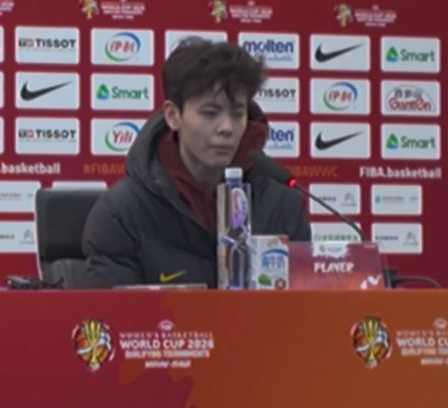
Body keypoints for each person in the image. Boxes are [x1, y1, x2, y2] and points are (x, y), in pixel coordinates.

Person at [81, 38, 310, 288]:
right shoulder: (122, 212)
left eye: (237, 114)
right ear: (173, 116)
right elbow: (113, 310)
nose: (227, 128)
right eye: (210, 113)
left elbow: (306, 302)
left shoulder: (283, 203)